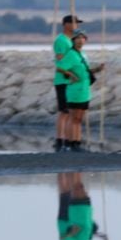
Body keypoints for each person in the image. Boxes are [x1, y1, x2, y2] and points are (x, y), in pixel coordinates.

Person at [52, 12, 82, 152]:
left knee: (73, 111)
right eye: (75, 23)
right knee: (64, 111)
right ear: (67, 24)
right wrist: (70, 69)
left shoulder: (73, 40)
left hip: (74, 81)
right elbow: (60, 59)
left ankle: (72, 141)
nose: (77, 26)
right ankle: (60, 140)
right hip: (63, 80)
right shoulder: (61, 40)